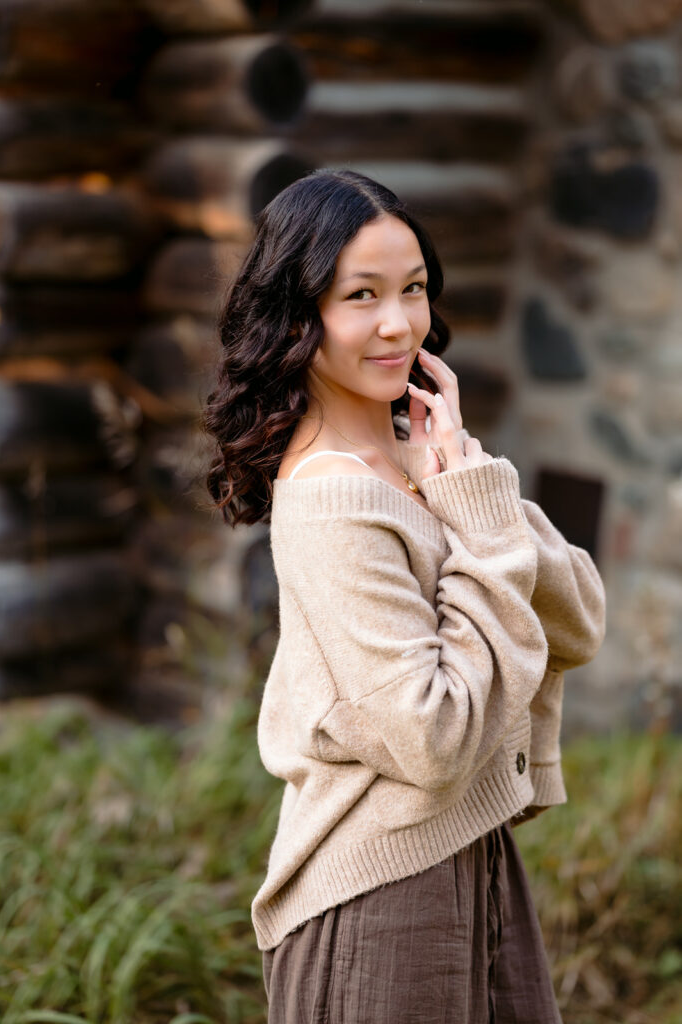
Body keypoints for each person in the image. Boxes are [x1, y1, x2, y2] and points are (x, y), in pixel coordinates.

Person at [203, 169, 606, 1023]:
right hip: (381, 893)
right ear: (297, 316)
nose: (398, 324)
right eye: (361, 296)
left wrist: (474, 486)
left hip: (473, 854)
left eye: (413, 288)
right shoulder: (331, 501)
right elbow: (432, 737)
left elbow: (577, 621)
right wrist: (481, 529)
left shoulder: (427, 459)